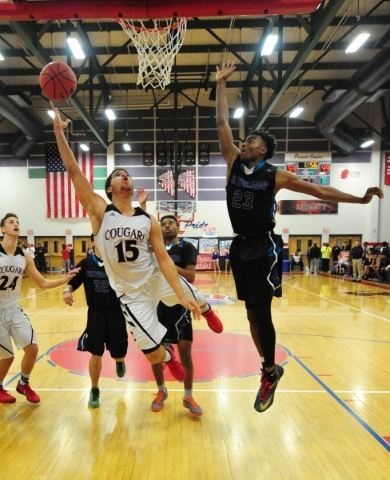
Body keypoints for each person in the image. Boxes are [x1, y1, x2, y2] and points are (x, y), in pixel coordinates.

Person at [215, 60, 384, 413]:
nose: (243, 143)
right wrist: (220, 85)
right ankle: (270, 369)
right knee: (250, 314)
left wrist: (359, 198)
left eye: (251, 141)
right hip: (240, 245)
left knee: (262, 313)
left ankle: (267, 371)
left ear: (263, 150)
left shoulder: (276, 176)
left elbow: (320, 193)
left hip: (264, 246)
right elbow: (221, 123)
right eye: (244, 140)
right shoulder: (233, 162)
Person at [51, 102, 222, 387]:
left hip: (155, 276)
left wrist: (180, 295)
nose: (124, 175)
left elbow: (165, 260)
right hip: (130, 295)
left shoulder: (148, 220)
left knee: (190, 295)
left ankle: (207, 310)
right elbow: (71, 169)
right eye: (117, 174)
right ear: (109, 188)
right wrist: (58, 131)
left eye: (126, 173)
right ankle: (168, 358)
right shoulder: (99, 211)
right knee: (152, 354)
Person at [0, 213, 79, 404]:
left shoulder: (24, 255)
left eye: (18, 222)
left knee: (33, 348)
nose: (16, 224)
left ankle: (23, 384)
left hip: (13, 308)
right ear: (2, 229)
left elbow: (42, 282)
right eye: (11, 222)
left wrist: (64, 279)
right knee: (7, 357)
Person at [63, 234, 128, 409]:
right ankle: (94, 389)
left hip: (116, 313)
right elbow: (71, 283)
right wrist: (66, 291)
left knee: (118, 353)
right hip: (96, 314)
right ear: (93, 242)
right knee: (96, 354)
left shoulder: (118, 262)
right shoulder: (85, 264)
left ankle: (119, 360)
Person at [150, 215, 203, 416]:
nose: (166, 226)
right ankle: (161, 391)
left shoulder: (187, 248)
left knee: (186, 355)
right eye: (163, 225)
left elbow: (190, 276)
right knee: (155, 354)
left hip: (181, 307)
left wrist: (167, 266)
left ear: (178, 226)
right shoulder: (156, 249)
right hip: (159, 307)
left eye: (170, 223)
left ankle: (188, 395)